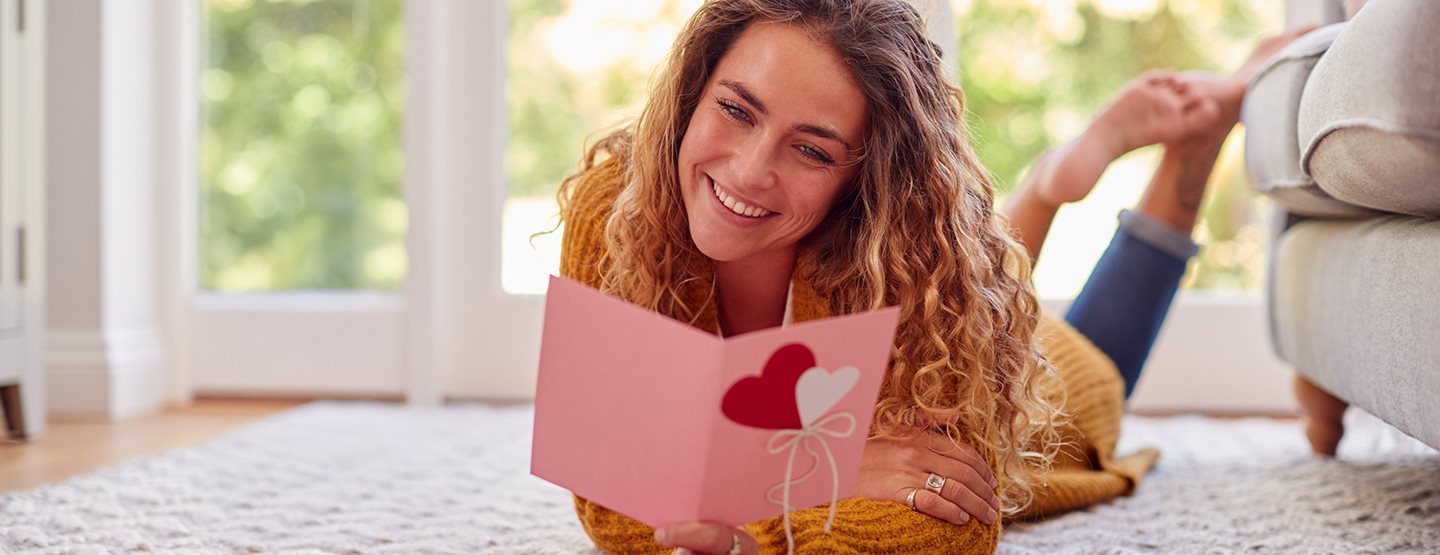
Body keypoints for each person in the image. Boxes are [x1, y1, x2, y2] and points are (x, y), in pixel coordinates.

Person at [553, 1, 1306, 552]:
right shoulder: (616, 208)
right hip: (975, 301)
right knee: (983, 277)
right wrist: (821, 469)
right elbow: (614, 505)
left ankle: (1197, 139)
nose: (749, 171)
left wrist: (731, 504)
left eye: (812, 150)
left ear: (863, 178)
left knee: (1096, 367)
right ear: (692, 89)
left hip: (1048, 388)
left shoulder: (911, 264)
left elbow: (949, 522)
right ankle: (1046, 187)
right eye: (735, 109)